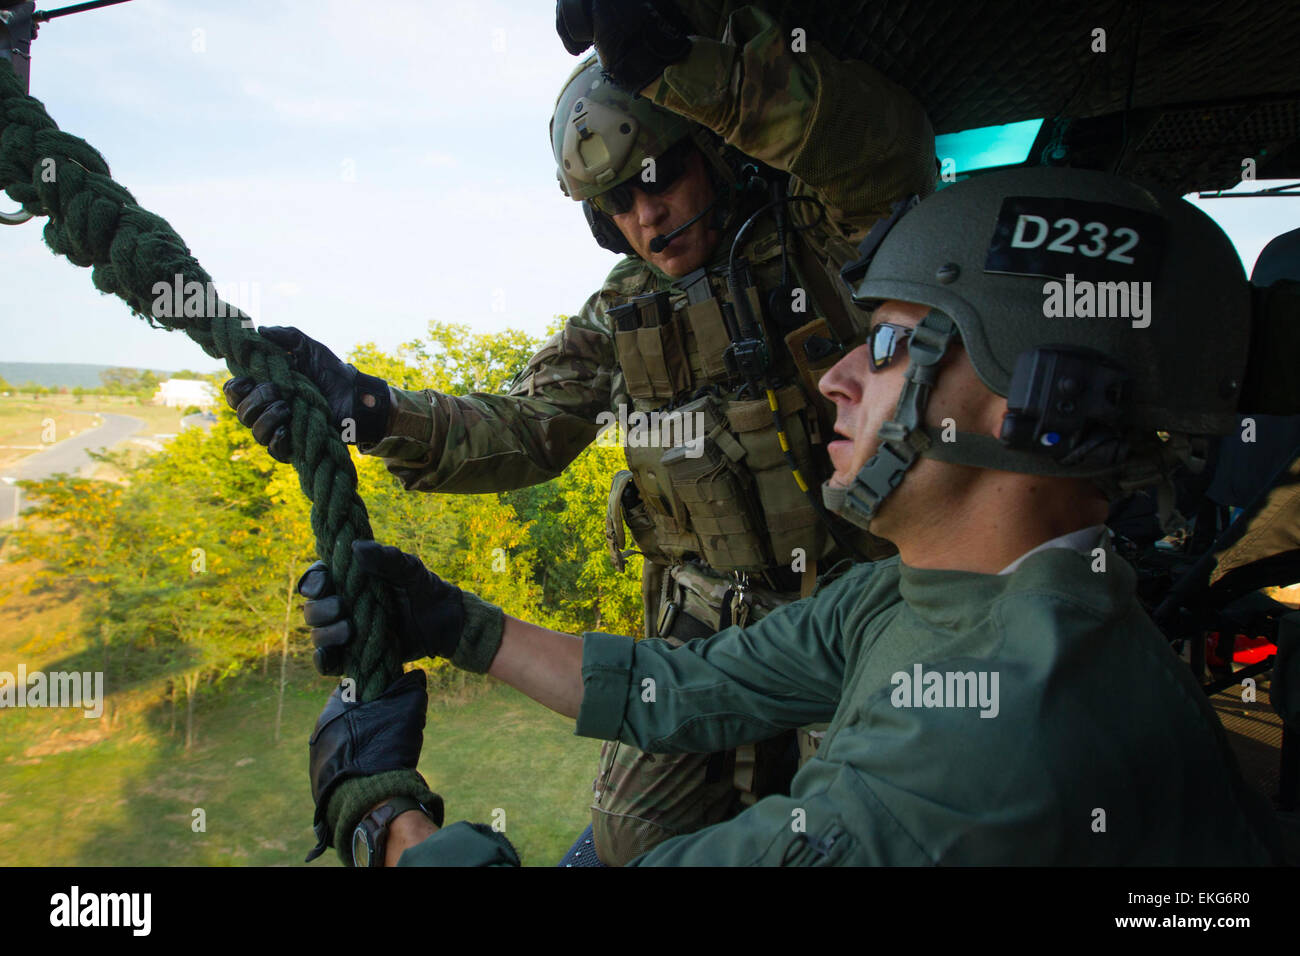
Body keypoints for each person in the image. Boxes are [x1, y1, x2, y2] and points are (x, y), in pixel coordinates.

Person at [298, 166, 1285, 866]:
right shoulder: (916, 596)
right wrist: (451, 619)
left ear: (1038, 403)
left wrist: (384, 820)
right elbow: (684, 685)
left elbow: (867, 141)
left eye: (892, 344)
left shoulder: (980, 757)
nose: (835, 375)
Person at [227, 4, 935, 865]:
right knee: (627, 835)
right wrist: (370, 410)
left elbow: (880, 152)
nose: (646, 211)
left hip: (848, 608)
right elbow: (526, 426)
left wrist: (699, 72)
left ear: (710, 152)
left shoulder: (817, 243)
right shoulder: (620, 312)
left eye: (661, 173)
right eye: (617, 200)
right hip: (699, 625)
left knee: (851, 829)